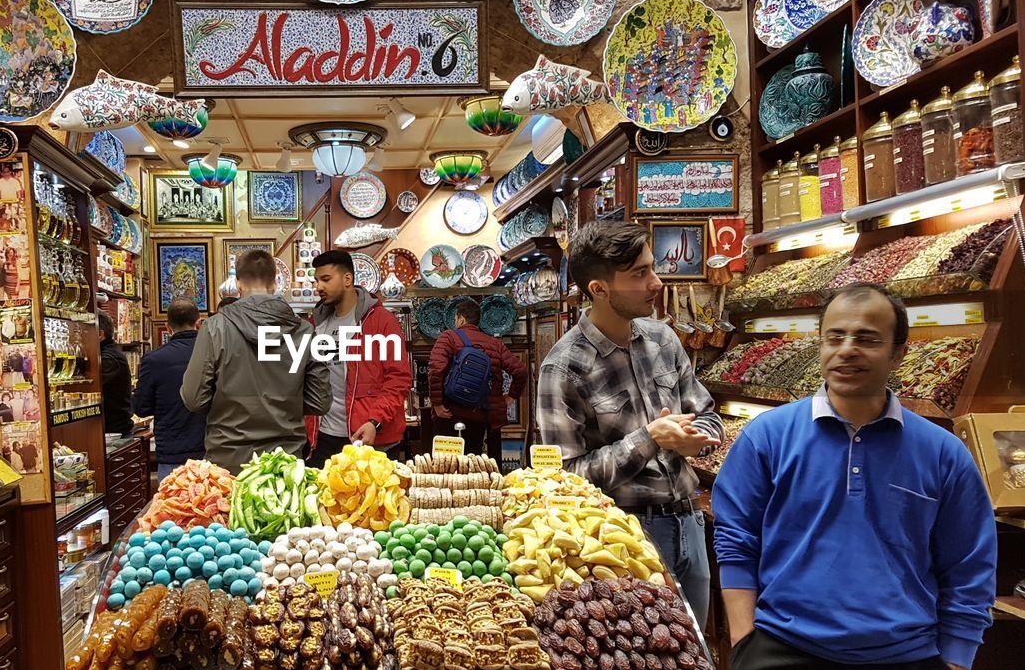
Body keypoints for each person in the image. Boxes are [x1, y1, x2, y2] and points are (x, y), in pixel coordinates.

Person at [712, 283, 996, 670]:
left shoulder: (942, 453)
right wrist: (746, 642)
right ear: (818, 346)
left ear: (898, 352)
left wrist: (953, 669)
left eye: (867, 338)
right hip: (783, 662)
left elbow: (969, 567)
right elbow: (736, 539)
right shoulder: (767, 437)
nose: (847, 350)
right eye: (834, 337)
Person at [535, 220, 722, 626]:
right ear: (598, 289)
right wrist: (650, 438)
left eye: (652, 267)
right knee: (650, 664)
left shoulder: (663, 339)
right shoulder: (564, 369)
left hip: (689, 521)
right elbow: (563, 477)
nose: (656, 282)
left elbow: (708, 415)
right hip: (622, 536)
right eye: (640, 274)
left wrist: (698, 440)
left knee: (698, 657)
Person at [182, 250, 331, 472]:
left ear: (238, 283)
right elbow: (320, 402)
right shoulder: (306, 331)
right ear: (275, 283)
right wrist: (283, 404)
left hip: (228, 460)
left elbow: (194, 399)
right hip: (285, 462)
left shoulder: (215, 327)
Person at [305, 250, 411, 468]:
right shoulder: (316, 324)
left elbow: (398, 379)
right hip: (323, 436)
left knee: (373, 500)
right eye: (316, 281)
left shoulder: (382, 322)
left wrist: (375, 421)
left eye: (325, 279)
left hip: (369, 437)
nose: (319, 287)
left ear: (347, 279)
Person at [428, 298, 528, 459]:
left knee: (444, 466)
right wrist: (511, 396)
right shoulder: (495, 343)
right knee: (474, 465)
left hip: (449, 413)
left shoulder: (448, 337)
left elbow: (435, 370)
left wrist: (437, 404)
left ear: (460, 318)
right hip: (480, 416)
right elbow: (521, 370)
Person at [134, 298, 207, 482]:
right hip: (207, 445)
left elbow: (141, 408)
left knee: (171, 505)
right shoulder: (211, 354)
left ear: (168, 327)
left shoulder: (154, 360)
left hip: (172, 449)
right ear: (198, 323)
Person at [99, 311, 133, 436]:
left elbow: (90, 386)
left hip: (114, 432)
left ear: (99, 334)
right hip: (113, 428)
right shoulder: (109, 354)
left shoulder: (109, 358)